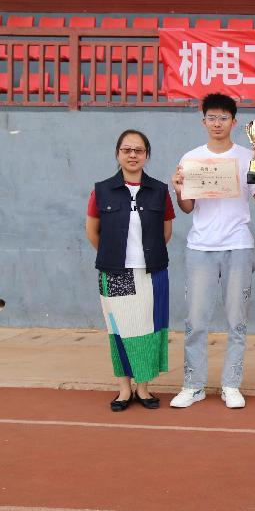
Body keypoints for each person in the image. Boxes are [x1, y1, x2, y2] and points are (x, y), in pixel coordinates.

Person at [169, 93, 255, 410]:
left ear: (234, 122)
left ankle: (231, 384)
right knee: (195, 321)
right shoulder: (191, 158)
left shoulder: (248, 156)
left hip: (238, 244)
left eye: (223, 118)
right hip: (200, 247)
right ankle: (193, 384)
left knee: (237, 321)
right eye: (212, 118)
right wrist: (178, 189)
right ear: (203, 122)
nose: (217, 123)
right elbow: (187, 208)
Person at [86, 130, 174, 411]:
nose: (133, 155)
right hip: (115, 273)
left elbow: (166, 232)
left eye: (139, 150)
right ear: (118, 154)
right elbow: (93, 232)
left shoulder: (159, 190)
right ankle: (124, 389)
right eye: (127, 150)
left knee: (147, 330)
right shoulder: (101, 190)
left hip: (151, 272)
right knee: (120, 331)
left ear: (147, 155)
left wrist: (144, 255)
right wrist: (115, 256)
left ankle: (143, 387)